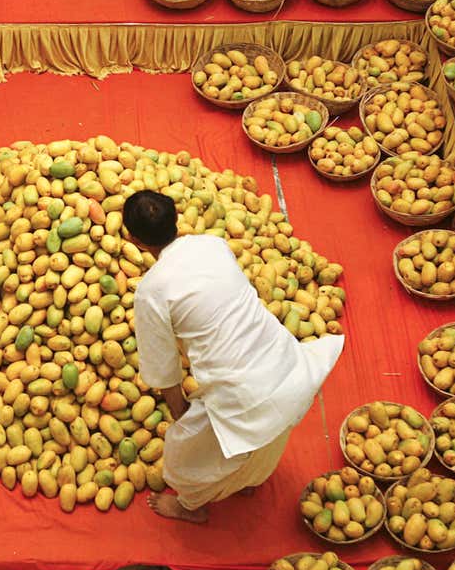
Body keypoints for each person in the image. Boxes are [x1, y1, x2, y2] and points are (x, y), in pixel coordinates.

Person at [123, 190, 344, 523]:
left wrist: (181, 413)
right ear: (177, 218)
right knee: (268, 432)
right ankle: (247, 481)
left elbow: (163, 369)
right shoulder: (212, 245)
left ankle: (189, 506)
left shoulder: (151, 290)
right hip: (286, 364)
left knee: (185, 456)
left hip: (244, 390)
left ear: (134, 240)